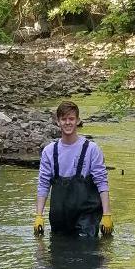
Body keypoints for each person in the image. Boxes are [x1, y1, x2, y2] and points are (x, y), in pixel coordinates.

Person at [33, 101, 114, 238]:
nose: (67, 123)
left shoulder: (92, 149)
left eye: (71, 119)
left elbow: (102, 182)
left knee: (86, 251)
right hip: (60, 218)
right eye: (63, 119)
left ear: (78, 121)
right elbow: (43, 185)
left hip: (87, 217)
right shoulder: (49, 152)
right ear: (58, 122)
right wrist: (39, 215)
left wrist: (107, 214)